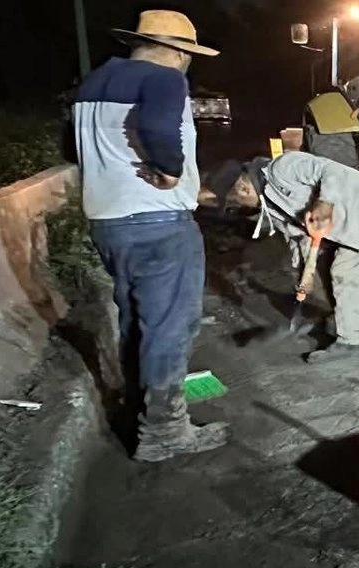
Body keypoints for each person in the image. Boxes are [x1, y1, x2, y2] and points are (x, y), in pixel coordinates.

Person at [72, 10, 229, 463]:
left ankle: (136, 411)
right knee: (169, 327)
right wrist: (170, 170)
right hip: (158, 224)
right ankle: (163, 430)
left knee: (134, 322)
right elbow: (159, 128)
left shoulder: (93, 84)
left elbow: (74, 148)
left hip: (108, 223)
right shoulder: (163, 80)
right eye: (188, 56)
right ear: (178, 52)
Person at [243, 151, 359, 363]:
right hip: (338, 222)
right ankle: (342, 317)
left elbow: (331, 170)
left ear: (244, 188)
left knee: (345, 272)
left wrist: (325, 202)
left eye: (238, 200)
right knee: (324, 269)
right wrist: (305, 273)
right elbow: (296, 237)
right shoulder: (268, 204)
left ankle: (351, 340)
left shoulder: (283, 166)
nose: (242, 208)